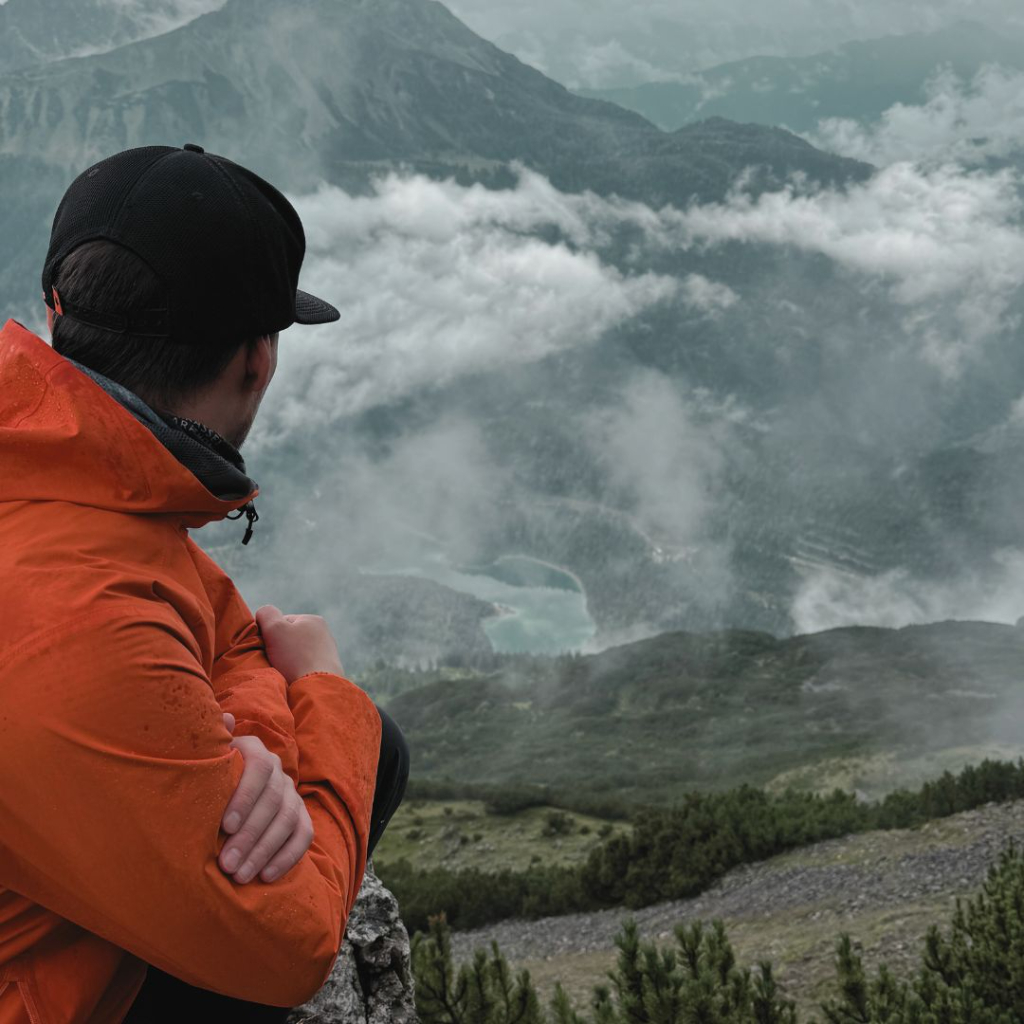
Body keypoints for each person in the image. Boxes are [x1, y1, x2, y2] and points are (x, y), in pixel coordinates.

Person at [0, 144, 409, 1023]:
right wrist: (324, 696)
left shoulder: (62, 476)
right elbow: (289, 943)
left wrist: (243, 739)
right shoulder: (82, 616)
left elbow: (220, 628)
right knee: (374, 742)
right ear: (257, 362)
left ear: (55, 312)